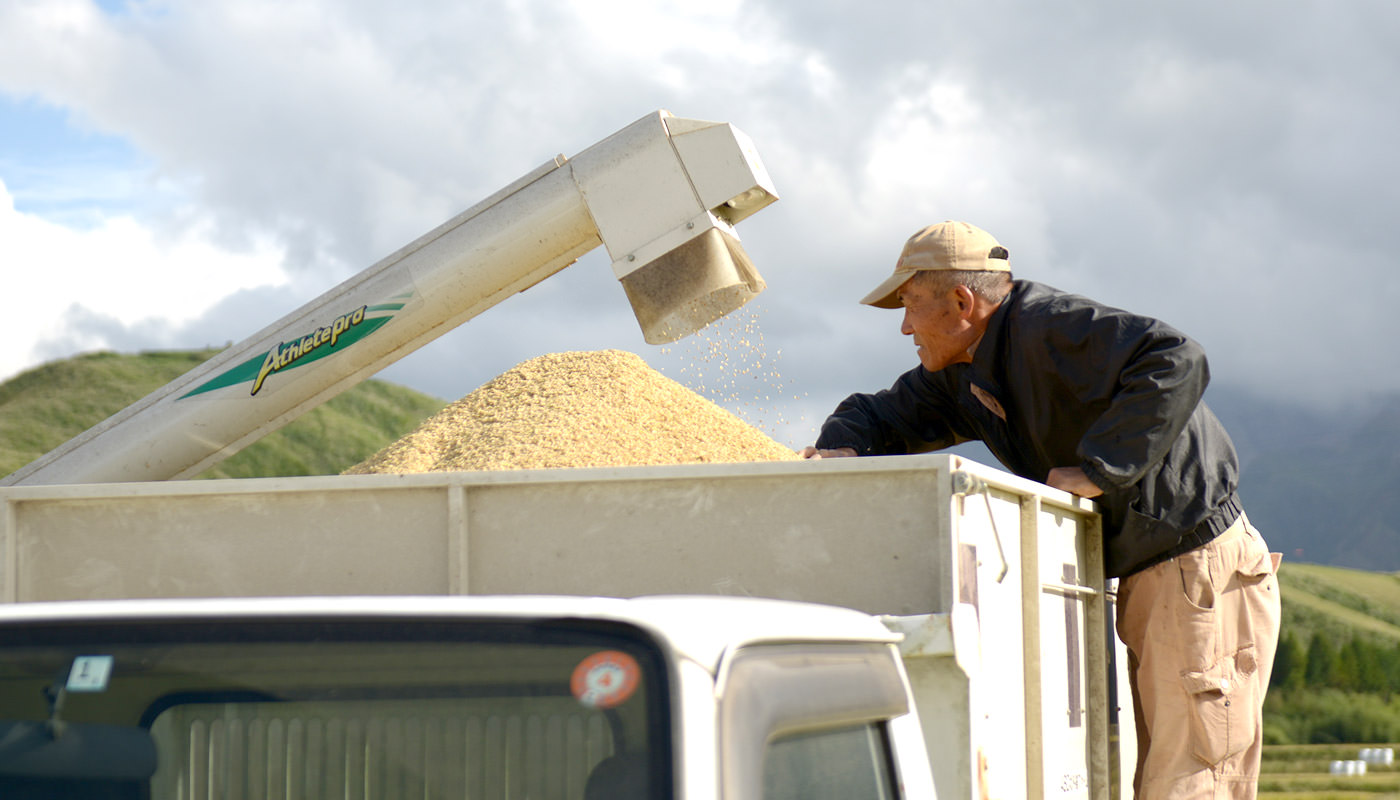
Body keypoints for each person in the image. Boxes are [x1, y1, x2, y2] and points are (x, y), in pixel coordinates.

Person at [802, 221, 1282, 799]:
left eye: (909, 305)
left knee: (1191, 784)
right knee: (1166, 780)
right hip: (1157, 577)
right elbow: (877, 413)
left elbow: (1177, 359)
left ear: (961, 302)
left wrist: (1102, 469)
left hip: (1196, 572)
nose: (904, 326)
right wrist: (841, 448)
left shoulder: (1046, 326)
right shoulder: (965, 371)